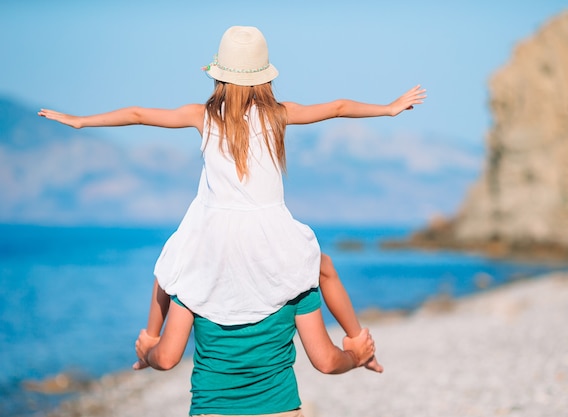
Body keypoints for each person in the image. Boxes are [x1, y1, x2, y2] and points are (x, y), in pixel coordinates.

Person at [39, 25, 426, 415]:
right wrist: (388, 108)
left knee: (171, 267)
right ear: (264, 77)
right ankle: (358, 340)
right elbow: (339, 106)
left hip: (215, 231)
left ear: (219, 76)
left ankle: (148, 342)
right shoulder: (279, 115)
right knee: (322, 267)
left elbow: (139, 114)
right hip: (268, 231)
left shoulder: (204, 116)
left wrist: (82, 121)